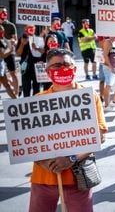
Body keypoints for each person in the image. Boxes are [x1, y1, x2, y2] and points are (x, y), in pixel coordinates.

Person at [29, 48, 107, 212]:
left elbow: (99, 136)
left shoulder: (90, 96)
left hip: (78, 179)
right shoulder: (37, 100)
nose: (62, 68)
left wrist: (71, 158)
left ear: (75, 68)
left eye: (66, 64)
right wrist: (43, 161)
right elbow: (26, 142)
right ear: (48, 71)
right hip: (43, 177)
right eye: (56, 65)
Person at [16, 25, 45, 97]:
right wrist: (22, 44)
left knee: (37, 90)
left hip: (37, 67)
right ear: (25, 29)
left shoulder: (39, 39)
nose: (31, 29)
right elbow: (18, 54)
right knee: (26, 90)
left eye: (32, 28)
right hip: (25, 68)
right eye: (29, 27)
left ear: (35, 29)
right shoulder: (22, 39)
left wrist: (36, 48)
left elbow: (43, 52)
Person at [0, 6, 18, 97]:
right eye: (2, 12)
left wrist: (13, 42)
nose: (5, 14)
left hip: (9, 52)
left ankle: (16, 93)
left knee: (12, 73)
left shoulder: (11, 25)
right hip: (1, 54)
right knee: (2, 77)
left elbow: (15, 39)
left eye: (6, 12)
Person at [102, 37, 115, 112]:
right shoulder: (108, 42)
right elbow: (105, 55)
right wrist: (111, 67)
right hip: (109, 67)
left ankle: (114, 102)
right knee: (109, 85)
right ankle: (107, 105)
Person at [0, 25, 16, 99]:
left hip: (1, 64)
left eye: (3, 31)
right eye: (1, 31)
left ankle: (16, 100)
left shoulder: (2, 39)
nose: (2, 33)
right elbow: (2, 55)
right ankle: (16, 101)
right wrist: (11, 50)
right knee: (7, 85)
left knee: (7, 85)